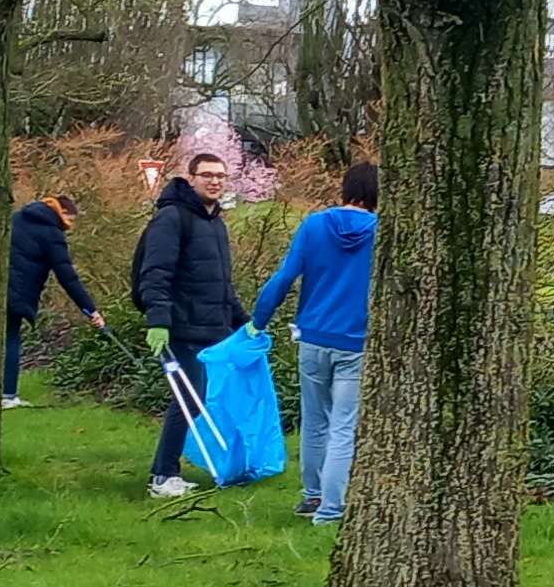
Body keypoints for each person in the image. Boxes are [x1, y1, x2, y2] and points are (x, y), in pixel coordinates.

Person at [253, 162, 379, 526]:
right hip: (355, 342)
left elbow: (284, 277)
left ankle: (312, 495)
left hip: (312, 337)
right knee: (344, 426)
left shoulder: (314, 225)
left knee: (314, 422)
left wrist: (258, 322)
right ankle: (331, 509)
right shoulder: (381, 232)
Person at [133, 153, 241, 498]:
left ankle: (171, 470)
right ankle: (163, 476)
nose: (215, 181)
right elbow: (155, 273)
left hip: (211, 330)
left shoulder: (216, 224)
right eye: (207, 175)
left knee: (200, 399)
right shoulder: (172, 218)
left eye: (221, 176)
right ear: (190, 178)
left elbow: (221, 284)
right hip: (181, 328)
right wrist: (158, 321)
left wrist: (245, 322)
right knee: (187, 400)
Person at [3, 190, 106, 408]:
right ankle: (8, 395)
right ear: (63, 212)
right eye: (70, 219)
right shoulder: (52, 233)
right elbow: (68, 277)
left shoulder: (17, 218)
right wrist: (90, 309)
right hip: (18, 292)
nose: (70, 225)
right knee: (11, 339)